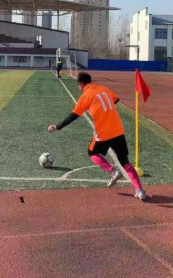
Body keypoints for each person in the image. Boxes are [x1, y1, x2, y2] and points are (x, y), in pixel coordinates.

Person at [47, 72, 147, 201]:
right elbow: (116, 99)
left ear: (81, 84)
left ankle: (113, 171)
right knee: (125, 161)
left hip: (103, 132)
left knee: (92, 152)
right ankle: (139, 191)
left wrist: (57, 126)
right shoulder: (104, 89)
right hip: (118, 129)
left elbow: (73, 116)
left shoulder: (85, 96)